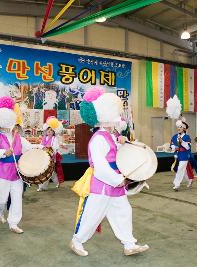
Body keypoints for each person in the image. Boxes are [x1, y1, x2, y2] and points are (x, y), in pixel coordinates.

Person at [70, 86, 149, 257]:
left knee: (123, 212)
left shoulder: (110, 136)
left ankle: (129, 244)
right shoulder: (98, 138)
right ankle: (77, 241)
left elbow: (118, 154)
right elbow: (100, 166)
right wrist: (117, 179)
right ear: (106, 117)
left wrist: (123, 142)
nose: (117, 120)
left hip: (115, 183)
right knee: (93, 216)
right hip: (103, 184)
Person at [0, 96, 41, 234]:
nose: (12, 127)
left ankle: (14, 223)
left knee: (17, 199)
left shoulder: (19, 138)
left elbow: (30, 147)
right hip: (2, 173)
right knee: (2, 199)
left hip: (16, 174)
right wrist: (4, 152)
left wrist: (42, 147)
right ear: (1, 124)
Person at [37, 116, 65, 191]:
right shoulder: (43, 138)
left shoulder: (54, 139)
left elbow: (56, 147)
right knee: (43, 172)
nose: (49, 132)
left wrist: (50, 148)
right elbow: (40, 146)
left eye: (51, 131)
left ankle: (56, 183)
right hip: (43, 157)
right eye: (48, 130)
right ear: (45, 131)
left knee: (51, 173)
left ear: (53, 132)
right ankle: (41, 186)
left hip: (51, 157)